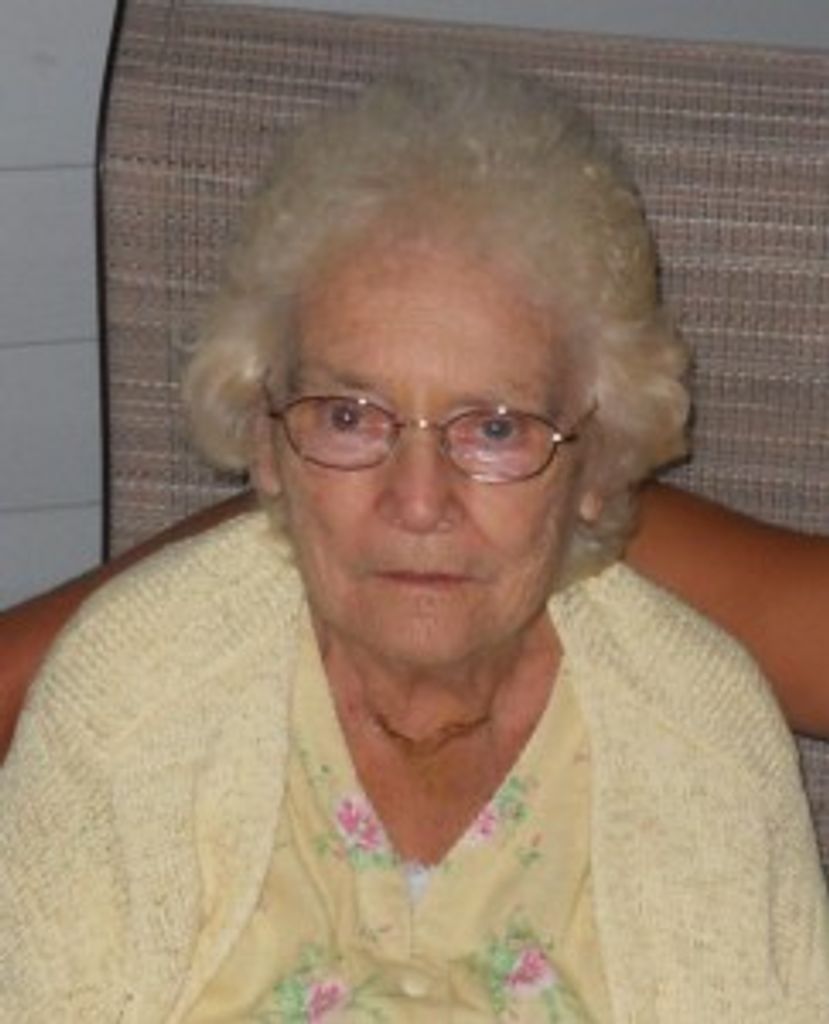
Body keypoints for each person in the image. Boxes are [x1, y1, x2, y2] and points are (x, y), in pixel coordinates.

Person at [1, 61, 826, 1021]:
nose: (419, 501)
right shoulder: (128, 695)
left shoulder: (703, 741)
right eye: (349, 417)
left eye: (495, 428)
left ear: (598, 462)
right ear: (266, 443)